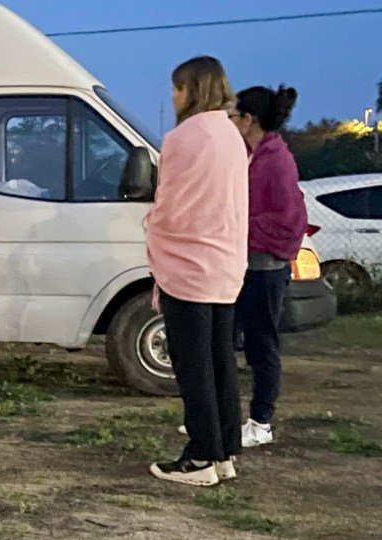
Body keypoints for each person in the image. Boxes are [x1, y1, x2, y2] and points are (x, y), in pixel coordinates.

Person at [145, 56, 249, 487]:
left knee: (193, 365)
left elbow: (171, 204)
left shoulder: (184, 136)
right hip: (225, 263)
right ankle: (225, 450)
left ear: (193, 90)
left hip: (188, 264)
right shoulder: (231, 134)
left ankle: (201, 456)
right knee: (220, 360)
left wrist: (151, 227)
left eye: (176, 88)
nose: (172, 97)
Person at [231, 84, 306, 450]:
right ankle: (226, 418)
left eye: (234, 115)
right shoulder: (250, 154)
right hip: (244, 262)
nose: (229, 121)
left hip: (266, 265)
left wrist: (241, 224)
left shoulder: (276, 160)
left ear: (249, 119)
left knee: (262, 344)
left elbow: (290, 219)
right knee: (228, 339)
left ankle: (261, 422)